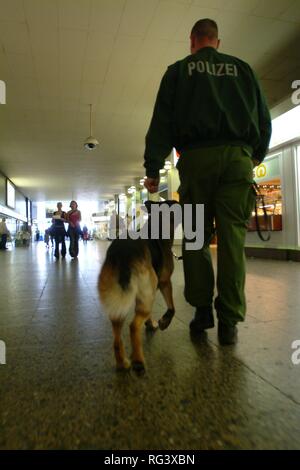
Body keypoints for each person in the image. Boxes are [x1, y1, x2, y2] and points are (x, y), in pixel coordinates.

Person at [143, 18, 272, 345]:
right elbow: (263, 118)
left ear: (192, 41)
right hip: (236, 159)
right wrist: (254, 156)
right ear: (217, 41)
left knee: (197, 237)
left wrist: (153, 167)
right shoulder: (243, 69)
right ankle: (229, 321)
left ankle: (202, 312)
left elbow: (161, 121)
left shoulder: (178, 71)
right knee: (232, 240)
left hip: (196, 160)